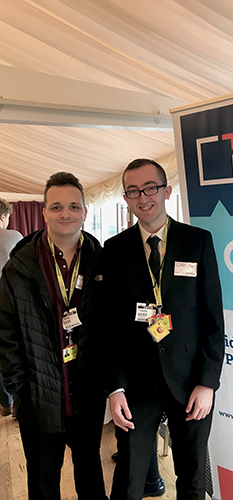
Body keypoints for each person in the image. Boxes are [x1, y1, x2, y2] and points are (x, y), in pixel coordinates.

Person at [102, 158, 225, 500]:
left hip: (190, 384)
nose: (143, 197)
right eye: (133, 191)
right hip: (136, 388)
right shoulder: (114, 250)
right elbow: (110, 327)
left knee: (191, 480)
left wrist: (208, 382)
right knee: (128, 480)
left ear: (167, 191)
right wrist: (115, 389)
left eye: (150, 187)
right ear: (125, 198)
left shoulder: (198, 242)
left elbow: (214, 319)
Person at [0, 173, 108, 500]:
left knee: (91, 481)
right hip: (39, 400)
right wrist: (21, 389)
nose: (66, 213)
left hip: (87, 397)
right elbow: (5, 334)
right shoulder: (19, 266)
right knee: (43, 486)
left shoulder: (101, 262)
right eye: (57, 206)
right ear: (44, 211)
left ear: (85, 212)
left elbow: (109, 329)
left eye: (74, 206)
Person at [0, 198, 23, 417]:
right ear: (3, 216)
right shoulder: (14, 237)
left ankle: (4, 402)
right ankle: (17, 405)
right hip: (9, 304)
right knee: (13, 352)